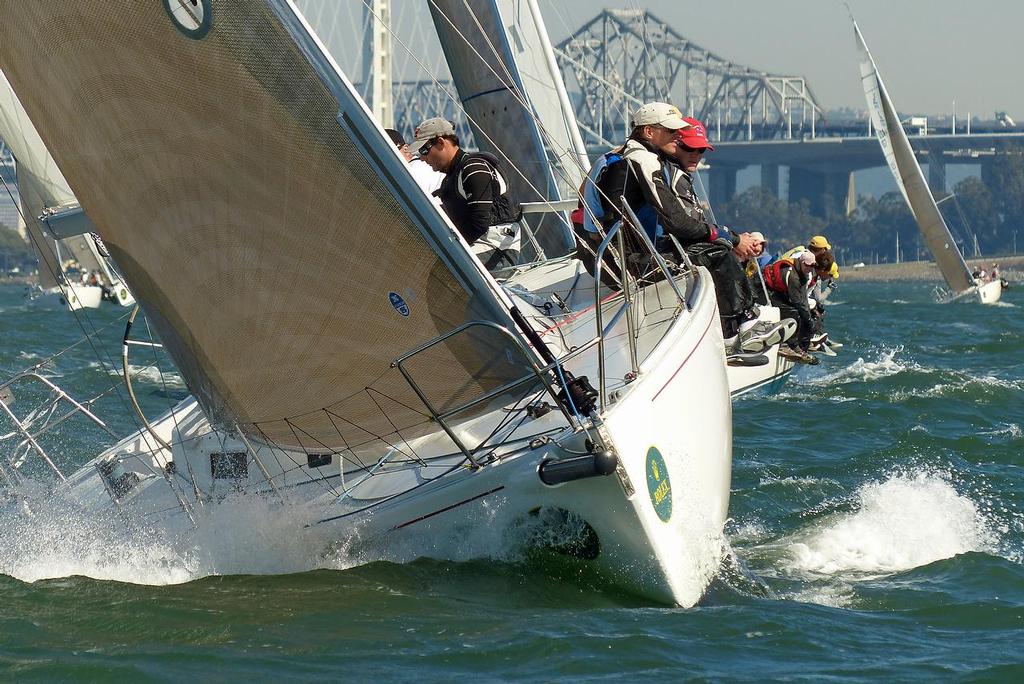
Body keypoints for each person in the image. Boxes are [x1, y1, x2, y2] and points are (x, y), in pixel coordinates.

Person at [664, 116, 787, 351]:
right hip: (669, 253)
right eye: (690, 148)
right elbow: (686, 226)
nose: (696, 154)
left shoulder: (679, 175)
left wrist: (731, 238)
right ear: (675, 144)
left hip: (679, 246)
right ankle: (742, 325)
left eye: (701, 150)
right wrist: (732, 239)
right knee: (720, 252)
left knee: (724, 249)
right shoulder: (674, 177)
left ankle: (742, 324)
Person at [413, 117, 522, 270]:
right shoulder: (452, 177)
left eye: (424, 150)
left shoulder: (474, 169)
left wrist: (449, 247)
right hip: (479, 245)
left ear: (440, 143)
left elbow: (479, 223)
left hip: (498, 250)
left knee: (439, 271)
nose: (422, 158)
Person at [762, 251, 820, 364]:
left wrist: (809, 319)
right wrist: (808, 320)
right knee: (792, 312)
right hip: (764, 288)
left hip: (777, 290)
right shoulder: (793, 276)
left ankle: (800, 347)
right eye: (808, 265)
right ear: (802, 262)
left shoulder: (804, 273)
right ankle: (788, 345)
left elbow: (803, 299)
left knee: (804, 314)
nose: (810, 268)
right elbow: (798, 301)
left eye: (813, 266)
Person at [385, 128, 443, 206]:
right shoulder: (419, 165)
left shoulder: (414, 170)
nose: (390, 157)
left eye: (392, 151)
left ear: (405, 149)